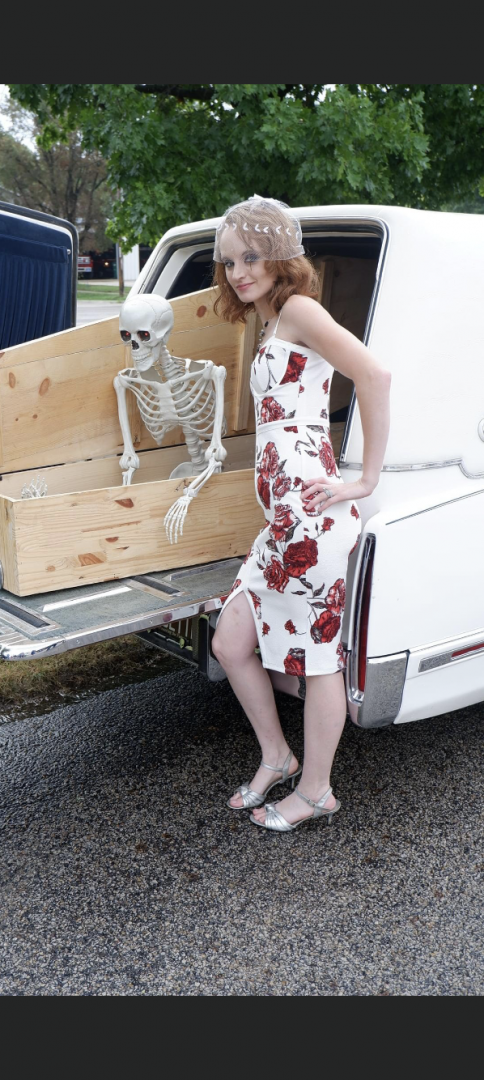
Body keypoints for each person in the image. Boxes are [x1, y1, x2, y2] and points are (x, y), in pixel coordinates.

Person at [210, 195, 391, 832]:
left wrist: (364, 480)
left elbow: (374, 375)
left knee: (318, 664)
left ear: (281, 256)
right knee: (231, 641)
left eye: (250, 257)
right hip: (281, 526)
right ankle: (278, 756)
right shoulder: (270, 322)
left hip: (311, 524)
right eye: (229, 261)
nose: (238, 271)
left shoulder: (298, 310)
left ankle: (317, 791)